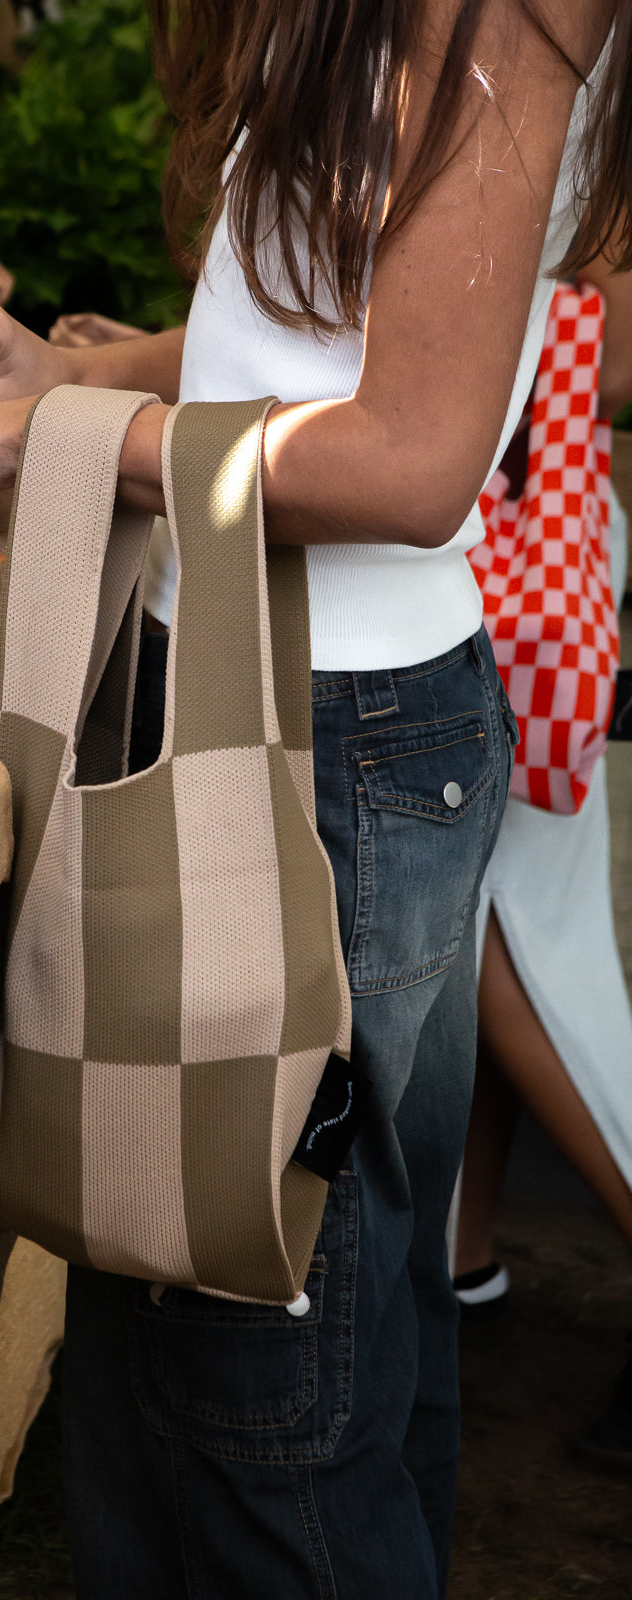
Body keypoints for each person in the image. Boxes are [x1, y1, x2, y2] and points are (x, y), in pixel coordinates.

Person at [0, 3, 632, 1593]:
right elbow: (301, 344)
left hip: (324, 748)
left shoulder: (501, 17)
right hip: (298, 723)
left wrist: (73, 431)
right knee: (251, 1332)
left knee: (261, 1406)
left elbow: (409, 456)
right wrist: (82, 364)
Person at [454, 258, 632, 1476]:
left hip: (504, 545)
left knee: (504, 946)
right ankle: (459, 1255)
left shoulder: (557, 73)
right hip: (533, 531)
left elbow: (598, 343)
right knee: (510, 932)